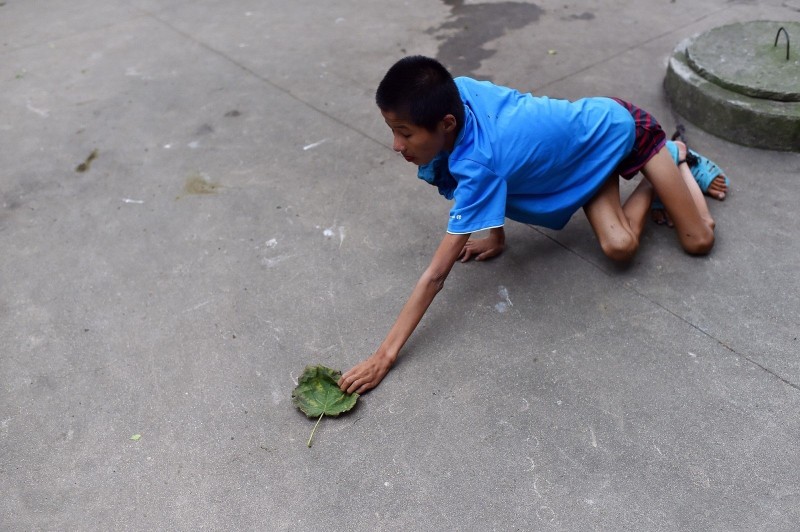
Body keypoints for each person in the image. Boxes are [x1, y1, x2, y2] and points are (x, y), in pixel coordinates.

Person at [338, 55, 728, 395]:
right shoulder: (458, 92)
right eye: (393, 130)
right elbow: (508, 169)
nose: (396, 145)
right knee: (619, 247)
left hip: (623, 127)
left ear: (447, 122)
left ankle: (678, 154)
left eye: (404, 133)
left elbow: (437, 274)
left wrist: (382, 357)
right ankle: (656, 182)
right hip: (582, 159)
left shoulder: (478, 160)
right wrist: (496, 235)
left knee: (700, 238)